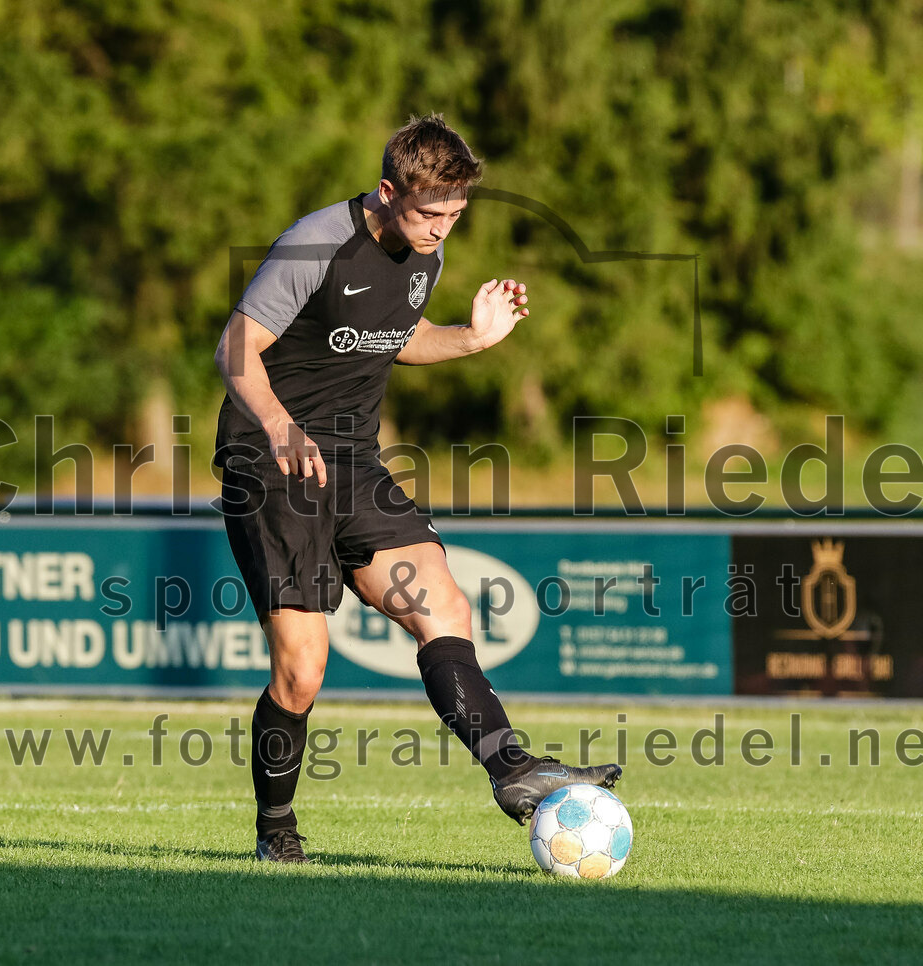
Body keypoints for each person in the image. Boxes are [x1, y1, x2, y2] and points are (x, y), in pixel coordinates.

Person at [214, 114, 621, 863]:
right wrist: (277, 426)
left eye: (456, 215)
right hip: (269, 460)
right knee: (302, 672)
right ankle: (277, 833)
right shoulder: (316, 244)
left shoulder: (423, 254)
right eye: (429, 213)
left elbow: (394, 337)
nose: (441, 229)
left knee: (443, 600)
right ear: (387, 190)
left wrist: (471, 337)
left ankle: (511, 771)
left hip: (353, 461)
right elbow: (237, 345)